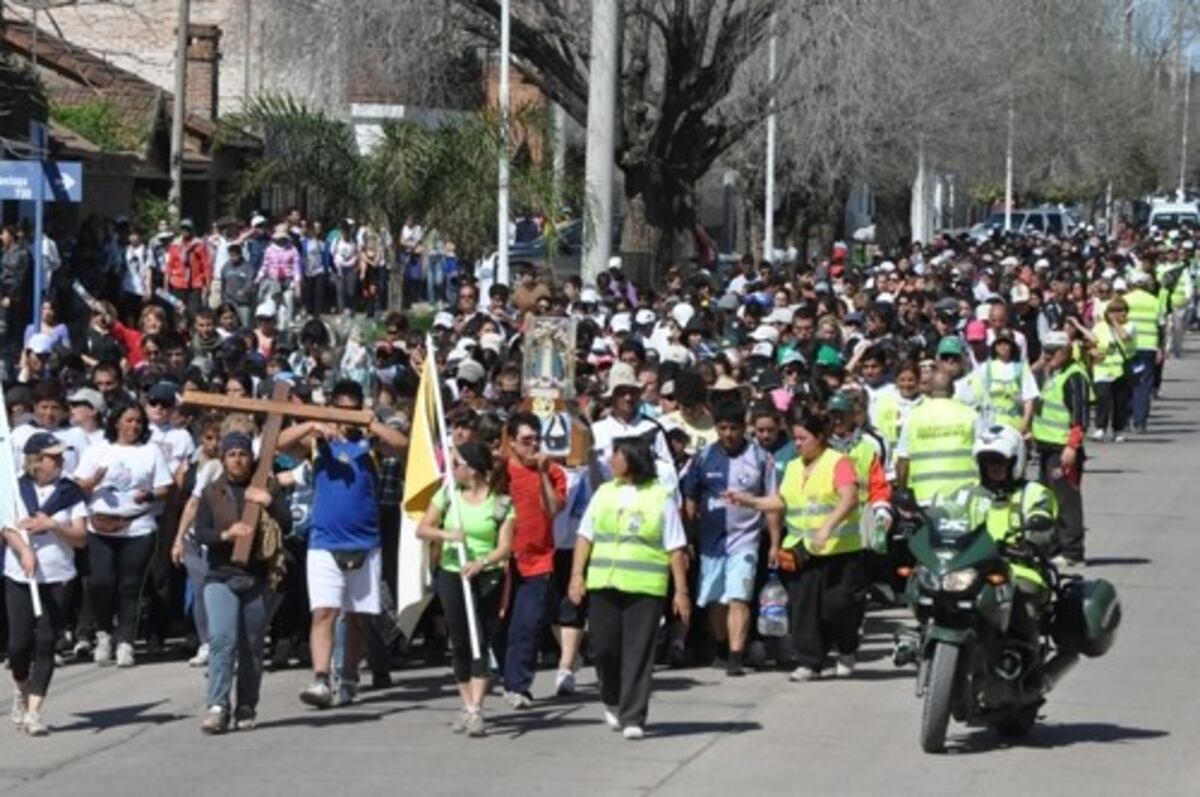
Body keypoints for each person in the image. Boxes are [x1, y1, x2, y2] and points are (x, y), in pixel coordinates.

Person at [277, 379, 406, 709]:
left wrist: (370, 422)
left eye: (352, 410)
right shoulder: (319, 443)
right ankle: (321, 679)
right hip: (323, 541)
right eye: (340, 410)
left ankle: (349, 675)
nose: (346, 417)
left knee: (358, 617)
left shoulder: (371, 444)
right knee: (323, 613)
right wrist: (312, 421)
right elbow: (280, 443)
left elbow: (402, 445)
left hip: (365, 542)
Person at [729, 407, 863, 681]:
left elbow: (849, 498)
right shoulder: (792, 467)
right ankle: (809, 662)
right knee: (803, 608)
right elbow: (781, 502)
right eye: (795, 439)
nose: (798, 444)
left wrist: (828, 526)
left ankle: (846, 647)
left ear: (819, 437)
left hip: (840, 551)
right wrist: (750, 501)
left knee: (836, 607)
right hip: (801, 549)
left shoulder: (839, 462)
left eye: (803, 438)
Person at [569, 438, 690, 739]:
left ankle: (634, 714)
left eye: (617, 455)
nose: (611, 460)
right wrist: (576, 576)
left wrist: (681, 591)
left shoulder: (660, 496)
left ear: (632, 459)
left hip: (645, 588)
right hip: (604, 584)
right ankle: (611, 698)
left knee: (639, 652)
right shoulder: (604, 494)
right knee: (606, 649)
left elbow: (675, 547)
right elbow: (585, 536)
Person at [192, 431, 292, 734]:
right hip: (221, 575)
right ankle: (218, 706)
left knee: (251, 646)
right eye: (232, 454)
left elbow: (286, 524)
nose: (238, 459)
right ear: (223, 458)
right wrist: (226, 534)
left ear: (251, 458)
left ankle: (247, 705)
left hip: (256, 577)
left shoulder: (265, 487)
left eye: (243, 454)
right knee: (222, 640)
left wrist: (270, 502)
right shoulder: (212, 492)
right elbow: (201, 533)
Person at [417, 441, 514, 737]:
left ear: (473, 470)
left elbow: (506, 547)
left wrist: (482, 562)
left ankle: (477, 706)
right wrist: (447, 533)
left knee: (479, 639)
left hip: (486, 576)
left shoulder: (501, 504)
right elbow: (422, 528)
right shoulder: (448, 495)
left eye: (457, 464)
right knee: (459, 639)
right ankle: (468, 704)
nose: (452, 469)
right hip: (452, 573)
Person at [681, 399, 777, 676]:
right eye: (723, 428)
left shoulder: (761, 458)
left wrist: (773, 541)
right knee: (717, 601)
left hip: (745, 540)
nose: (728, 434)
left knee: (739, 597)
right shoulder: (703, 457)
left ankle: (736, 655)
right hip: (711, 543)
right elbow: (690, 496)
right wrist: (688, 537)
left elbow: (772, 501)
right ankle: (722, 645)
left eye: (734, 428)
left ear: (743, 428)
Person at [73, 402, 172, 667]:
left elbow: (164, 486)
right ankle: (104, 632)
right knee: (99, 583)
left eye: (139, 422)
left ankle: (126, 640)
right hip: (100, 527)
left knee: (130, 586)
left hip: (137, 527)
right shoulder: (98, 449)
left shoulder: (151, 451)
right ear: (116, 422)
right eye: (129, 420)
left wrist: (149, 494)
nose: (134, 426)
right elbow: (79, 483)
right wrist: (92, 483)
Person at [3, 432, 88, 736]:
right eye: (54, 456)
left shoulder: (71, 492)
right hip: (21, 575)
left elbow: (80, 538)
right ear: (37, 460)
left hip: (57, 576)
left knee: (46, 641)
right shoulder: (14, 487)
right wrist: (24, 549)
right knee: (18, 645)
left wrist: (52, 524)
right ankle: (22, 689)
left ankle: (35, 712)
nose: (61, 460)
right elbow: (7, 527)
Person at [499, 412, 566, 708]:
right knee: (500, 627)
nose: (533, 445)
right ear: (511, 442)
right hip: (502, 559)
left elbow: (553, 509)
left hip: (538, 559)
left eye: (537, 440)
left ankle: (518, 684)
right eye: (526, 440)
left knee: (526, 624)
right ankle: (503, 674)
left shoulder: (553, 472)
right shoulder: (499, 471)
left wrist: (541, 474)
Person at [1031, 330, 1090, 568]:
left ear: (1065, 352)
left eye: (1051, 352)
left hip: (1063, 449)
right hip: (1047, 447)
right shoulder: (1053, 374)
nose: (1046, 356)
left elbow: (1080, 418)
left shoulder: (1075, 376)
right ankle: (1053, 547)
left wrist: (1072, 447)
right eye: (1044, 351)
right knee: (1049, 501)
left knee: (1067, 501)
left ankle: (1073, 551)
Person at [894, 371, 978, 507]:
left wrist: (902, 491)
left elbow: (903, 460)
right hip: (963, 497)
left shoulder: (913, 417)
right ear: (953, 390)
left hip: (924, 497)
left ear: (929, 389)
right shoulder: (970, 415)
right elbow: (983, 454)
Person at [956, 329, 1038, 435]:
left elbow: (1029, 399)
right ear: (995, 346)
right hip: (990, 424)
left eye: (1007, 343)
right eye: (999, 343)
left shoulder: (1022, 368)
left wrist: (1025, 424)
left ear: (1012, 347)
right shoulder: (986, 367)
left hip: (1015, 426)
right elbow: (973, 392)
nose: (1003, 346)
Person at [1123, 270, 1162, 433]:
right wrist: (1161, 348)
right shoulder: (1154, 301)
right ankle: (1140, 422)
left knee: (1127, 383)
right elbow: (1161, 326)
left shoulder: (1124, 300)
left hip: (1128, 348)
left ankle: (1125, 418)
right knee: (1144, 385)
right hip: (1148, 347)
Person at [1090, 298, 1134, 442]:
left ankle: (1118, 429)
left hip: (1121, 369)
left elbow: (1125, 337)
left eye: (1120, 311)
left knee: (1120, 402)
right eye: (1113, 311)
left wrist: (1114, 323)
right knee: (1103, 398)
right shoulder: (1099, 327)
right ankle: (1100, 427)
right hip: (1102, 369)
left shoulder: (1130, 325)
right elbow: (1091, 342)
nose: (1117, 314)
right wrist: (1093, 351)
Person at [165, 219, 212, 317]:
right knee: (178, 313)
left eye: (187, 228)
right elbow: (169, 266)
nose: (185, 231)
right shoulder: (175, 245)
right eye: (183, 229)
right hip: (178, 283)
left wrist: (207, 285)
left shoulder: (199, 245)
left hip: (195, 284)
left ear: (192, 230)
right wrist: (166, 285)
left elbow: (206, 266)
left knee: (193, 312)